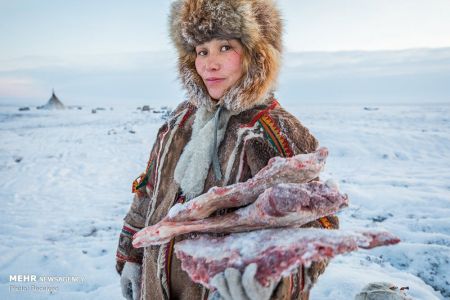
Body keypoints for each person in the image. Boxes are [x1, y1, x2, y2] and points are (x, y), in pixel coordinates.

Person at [115, 0, 339, 299]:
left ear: (256, 54)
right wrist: (131, 254)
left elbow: (318, 224)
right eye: (201, 51)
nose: (210, 63)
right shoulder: (181, 121)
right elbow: (149, 190)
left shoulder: (273, 129)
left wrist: (268, 283)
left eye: (225, 47)